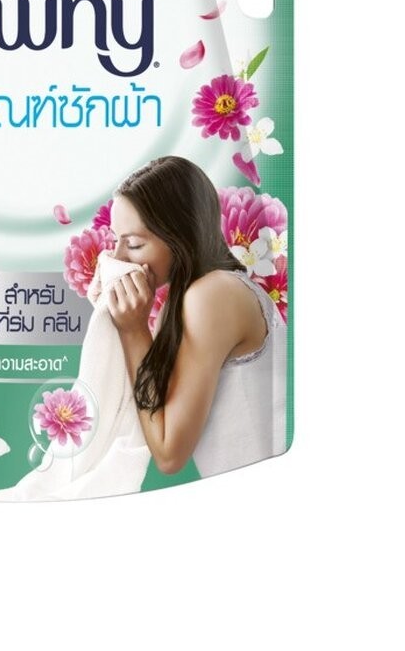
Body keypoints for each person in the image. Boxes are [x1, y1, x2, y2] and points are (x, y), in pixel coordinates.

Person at [100, 155, 286, 478]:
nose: (117, 258)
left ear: (180, 237)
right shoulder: (184, 303)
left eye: (134, 244)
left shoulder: (212, 295)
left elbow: (169, 453)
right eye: (117, 241)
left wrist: (133, 331)